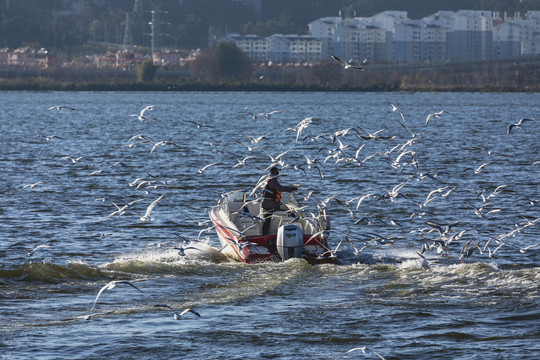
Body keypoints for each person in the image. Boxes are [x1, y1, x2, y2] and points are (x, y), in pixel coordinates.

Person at [261, 167, 298, 235]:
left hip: (271, 203)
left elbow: (278, 188)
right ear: (271, 172)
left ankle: (267, 232)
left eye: (277, 171)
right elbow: (279, 188)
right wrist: (291, 189)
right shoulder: (272, 180)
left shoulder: (272, 179)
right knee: (268, 219)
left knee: (268, 219)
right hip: (270, 204)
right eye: (275, 171)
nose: (277, 173)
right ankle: (265, 233)